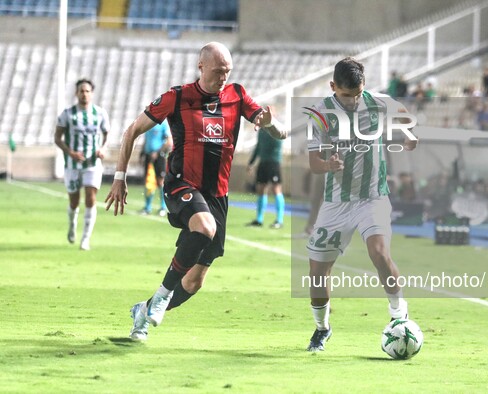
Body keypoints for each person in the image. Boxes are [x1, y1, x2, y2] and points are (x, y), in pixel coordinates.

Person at [104, 42, 287, 341]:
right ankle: (162, 295)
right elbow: (132, 131)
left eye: (227, 71)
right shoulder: (177, 97)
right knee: (204, 227)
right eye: (218, 71)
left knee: (194, 282)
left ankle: (144, 311)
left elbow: (280, 132)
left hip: (218, 195)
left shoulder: (237, 95)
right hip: (181, 184)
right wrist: (120, 176)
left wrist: (270, 125)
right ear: (201, 67)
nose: (223, 78)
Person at [305, 57, 418, 351]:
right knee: (317, 273)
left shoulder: (379, 103)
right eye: (346, 96)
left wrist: (409, 135)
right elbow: (313, 163)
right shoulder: (320, 114)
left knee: (378, 252)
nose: (353, 101)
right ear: (333, 87)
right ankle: (322, 328)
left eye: (357, 95)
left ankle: (399, 316)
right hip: (336, 203)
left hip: (372, 197)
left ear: (364, 86)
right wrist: (327, 165)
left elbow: (404, 114)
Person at [54, 79, 110, 251]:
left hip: (92, 164)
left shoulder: (100, 113)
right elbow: (57, 138)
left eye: (87, 91)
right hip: (72, 164)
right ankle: (72, 224)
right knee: (74, 201)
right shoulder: (67, 114)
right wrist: (70, 152)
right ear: (76, 93)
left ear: (91, 93)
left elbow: (106, 134)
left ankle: (85, 239)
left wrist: (102, 148)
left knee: (90, 198)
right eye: (81, 91)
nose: (84, 94)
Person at [246, 123, 285, 228]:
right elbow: (258, 147)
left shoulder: (276, 128)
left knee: (276, 189)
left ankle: (279, 220)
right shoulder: (261, 131)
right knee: (261, 189)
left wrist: (271, 129)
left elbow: (278, 141)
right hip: (263, 163)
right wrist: (251, 162)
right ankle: (259, 219)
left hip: (273, 162)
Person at [139, 120, 172, 216]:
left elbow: (168, 141)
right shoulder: (148, 123)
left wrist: (157, 152)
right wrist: (142, 154)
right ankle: (147, 207)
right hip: (148, 156)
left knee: (160, 181)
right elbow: (146, 140)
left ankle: (163, 207)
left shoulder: (163, 124)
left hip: (159, 157)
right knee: (148, 181)